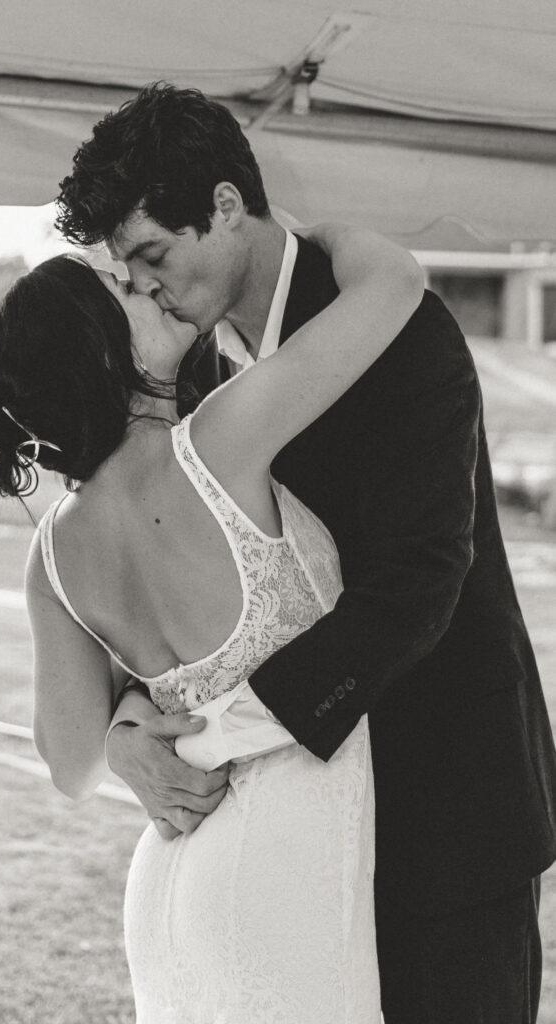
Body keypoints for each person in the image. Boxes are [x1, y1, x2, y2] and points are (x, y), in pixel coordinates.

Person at [55, 83, 556, 1024]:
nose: (147, 288)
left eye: (154, 254)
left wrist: (213, 736)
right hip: (280, 837)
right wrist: (129, 731)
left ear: (224, 205)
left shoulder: (398, 331)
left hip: (439, 807)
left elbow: (416, 585)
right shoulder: (184, 373)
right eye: (129, 272)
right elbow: (158, 582)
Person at [0, 225, 423, 1021]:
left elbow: (71, 767)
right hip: (285, 872)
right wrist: (306, 227)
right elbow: (394, 284)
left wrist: (126, 725)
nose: (156, 286)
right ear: (101, 352)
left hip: (174, 881)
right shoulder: (218, 440)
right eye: (129, 292)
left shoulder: (53, 551)